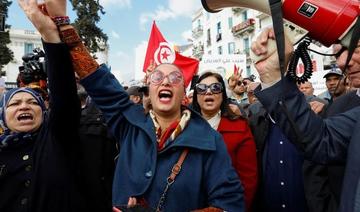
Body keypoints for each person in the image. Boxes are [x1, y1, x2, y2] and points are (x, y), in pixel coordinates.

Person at [24, 0, 245, 211]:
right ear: (148, 89)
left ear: (185, 96)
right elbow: (96, 78)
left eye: (175, 78)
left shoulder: (209, 140)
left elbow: (230, 205)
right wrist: (61, 23)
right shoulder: (129, 121)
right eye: (158, 77)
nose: (166, 81)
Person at [251, 26, 360, 212]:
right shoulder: (345, 109)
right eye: (338, 55)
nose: (343, 62)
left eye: (355, 48)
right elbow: (321, 141)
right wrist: (272, 76)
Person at [0, 0, 88, 211]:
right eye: (15, 103)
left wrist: (49, 34)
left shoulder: (57, 139)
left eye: (33, 102)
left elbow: (64, 96)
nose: (24, 106)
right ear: (3, 115)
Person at [192, 71, 258, 211]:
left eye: (215, 87)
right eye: (202, 88)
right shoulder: (183, 126)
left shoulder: (240, 126)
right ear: (196, 96)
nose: (208, 92)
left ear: (223, 94)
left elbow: (248, 178)